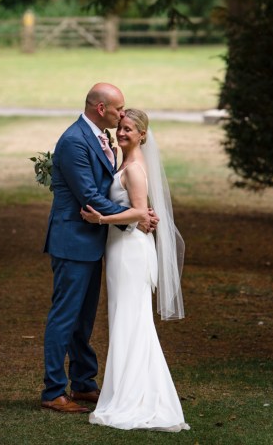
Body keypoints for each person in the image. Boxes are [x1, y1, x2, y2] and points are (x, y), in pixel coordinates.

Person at [41, 85, 158, 414]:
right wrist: (135, 219)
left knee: (84, 318)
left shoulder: (100, 136)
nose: (122, 114)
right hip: (72, 241)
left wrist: (137, 213)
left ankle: (83, 383)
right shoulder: (75, 140)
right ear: (101, 107)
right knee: (65, 316)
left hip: (92, 241)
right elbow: (90, 194)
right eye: (118, 109)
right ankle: (53, 390)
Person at [81, 109, 190, 431]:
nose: (122, 133)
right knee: (125, 319)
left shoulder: (135, 169)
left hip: (130, 253)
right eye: (120, 127)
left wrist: (100, 219)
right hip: (120, 250)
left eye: (129, 129)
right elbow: (139, 211)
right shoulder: (124, 163)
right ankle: (128, 390)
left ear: (143, 134)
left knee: (130, 320)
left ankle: (135, 397)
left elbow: (139, 211)